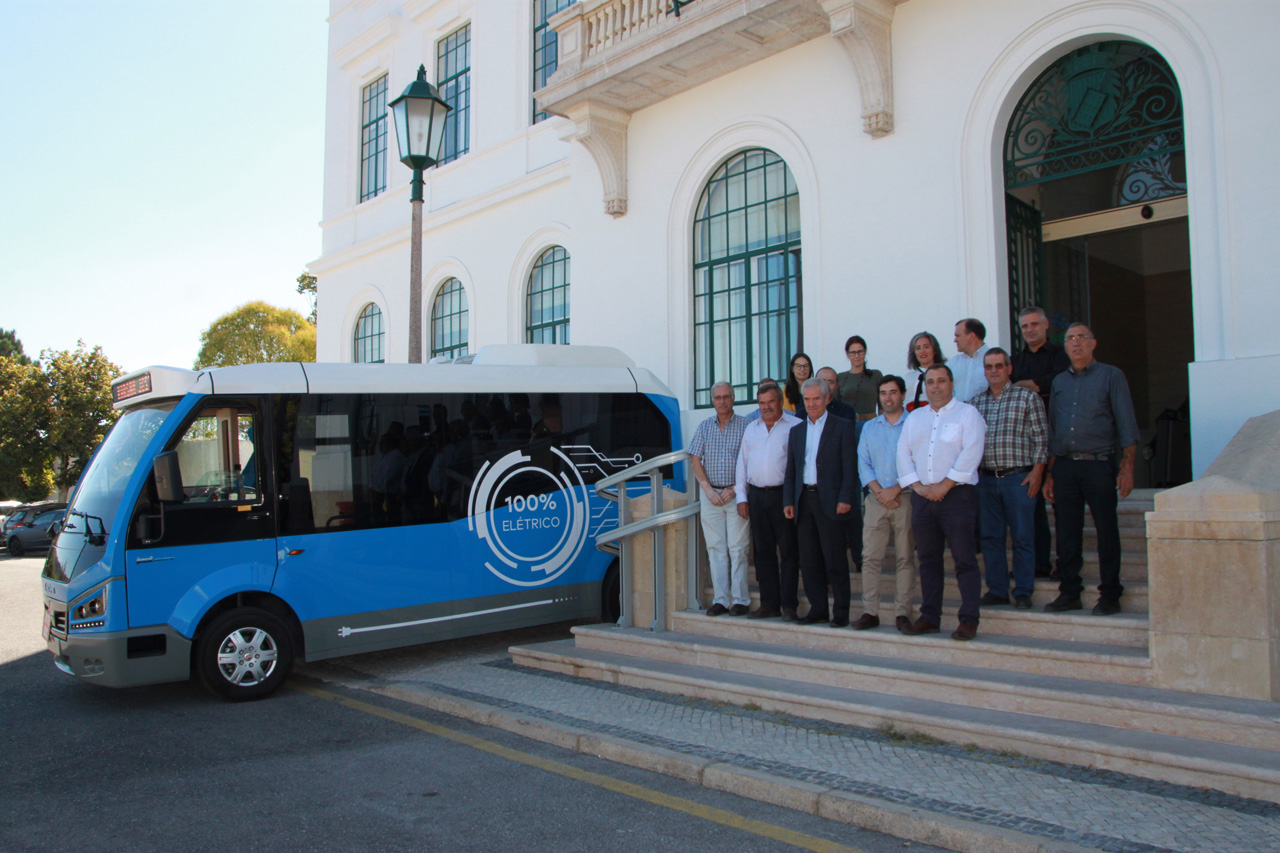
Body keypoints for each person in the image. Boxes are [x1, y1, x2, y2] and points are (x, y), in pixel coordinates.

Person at [1043, 324, 1139, 616]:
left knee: (1106, 529)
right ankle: (1069, 592)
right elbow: (1053, 428)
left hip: (1099, 464)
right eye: (1070, 339)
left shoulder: (1111, 376)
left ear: (1093, 343)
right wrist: (1049, 472)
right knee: (1067, 533)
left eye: (1081, 338)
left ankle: (1110, 594)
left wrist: (1128, 467)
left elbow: (1126, 422)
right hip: (1066, 467)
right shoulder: (1059, 382)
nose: (1075, 343)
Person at [897, 364, 987, 640]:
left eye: (941, 381)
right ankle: (930, 616)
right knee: (928, 560)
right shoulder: (915, 418)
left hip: (957, 496)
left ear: (951, 383)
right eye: (931, 382)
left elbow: (972, 451)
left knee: (964, 560)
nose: (936, 386)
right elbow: (903, 453)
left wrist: (946, 485)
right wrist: (918, 487)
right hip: (923, 498)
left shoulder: (967, 414)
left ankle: (969, 619)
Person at [971, 348, 1048, 610]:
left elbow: (1041, 438)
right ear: (984, 371)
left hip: (1019, 479)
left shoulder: (1027, 398)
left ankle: (1023, 590)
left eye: (999, 366)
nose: (994, 370)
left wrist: (1037, 472)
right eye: (989, 366)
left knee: (1023, 536)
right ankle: (997, 589)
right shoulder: (975, 403)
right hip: (986, 480)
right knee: (991, 538)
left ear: (1009, 368)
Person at [783, 378, 859, 627]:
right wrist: (789, 500)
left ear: (827, 398)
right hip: (804, 501)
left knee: (835, 560)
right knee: (809, 560)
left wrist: (846, 498)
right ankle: (818, 609)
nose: (812, 403)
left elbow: (850, 468)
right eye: (807, 399)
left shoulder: (843, 426)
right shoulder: (796, 431)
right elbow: (792, 469)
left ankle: (840, 613)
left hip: (832, 502)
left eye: (816, 398)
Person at [852, 375, 918, 631]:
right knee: (870, 558)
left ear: (902, 395)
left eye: (893, 392)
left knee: (905, 558)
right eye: (883, 393)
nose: (887, 397)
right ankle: (870, 611)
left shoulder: (914, 424)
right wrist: (880, 491)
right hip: (876, 499)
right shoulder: (870, 428)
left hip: (906, 497)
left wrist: (896, 489)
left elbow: (919, 460)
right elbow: (863, 463)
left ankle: (903, 612)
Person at [1011, 306, 1070, 579]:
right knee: (1032, 509)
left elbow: (1059, 381)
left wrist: (1033, 384)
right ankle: (1038, 564)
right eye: (1025, 326)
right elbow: (1011, 388)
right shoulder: (1017, 360)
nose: (1030, 330)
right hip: (1028, 443)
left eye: (1035, 324)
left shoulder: (1060, 354)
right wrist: (1035, 385)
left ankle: (1066, 565)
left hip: (1058, 437)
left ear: (1046, 325)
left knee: (1062, 507)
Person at [735, 382, 801, 620]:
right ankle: (769, 603)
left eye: (771, 402)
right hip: (757, 496)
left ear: (780, 401)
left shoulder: (796, 426)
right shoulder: (751, 429)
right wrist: (741, 497)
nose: (766, 407)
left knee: (789, 552)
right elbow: (741, 465)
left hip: (784, 496)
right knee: (763, 553)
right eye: (762, 403)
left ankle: (789, 605)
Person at [689, 381, 751, 616]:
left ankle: (740, 601)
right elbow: (695, 458)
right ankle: (721, 599)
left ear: (733, 398)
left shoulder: (746, 426)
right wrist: (707, 489)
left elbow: (751, 462)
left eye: (726, 396)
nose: (722, 401)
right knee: (715, 549)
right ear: (712, 400)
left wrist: (735, 488)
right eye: (717, 397)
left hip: (736, 495)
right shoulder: (704, 427)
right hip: (711, 496)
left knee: (738, 548)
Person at [818, 366, 862, 571]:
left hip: (842, 478)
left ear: (836, 385)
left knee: (852, 523)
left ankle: (860, 560)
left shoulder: (846, 412)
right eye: (822, 381)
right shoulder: (803, 413)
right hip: (817, 484)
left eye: (831, 381)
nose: (827, 385)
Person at [836, 336, 882, 421]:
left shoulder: (875, 375)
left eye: (860, 351)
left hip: (870, 423)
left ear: (865, 352)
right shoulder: (840, 377)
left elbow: (882, 406)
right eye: (853, 352)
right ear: (847, 354)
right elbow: (836, 406)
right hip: (847, 424)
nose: (857, 356)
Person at [949, 318, 990, 403]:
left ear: (971, 336)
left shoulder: (992, 359)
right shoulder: (953, 362)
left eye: (958, 336)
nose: (955, 340)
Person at [904, 332, 946, 412]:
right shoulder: (907, 378)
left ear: (934, 350)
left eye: (926, 347)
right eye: (918, 348)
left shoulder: (944, 375)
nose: (922, 351)